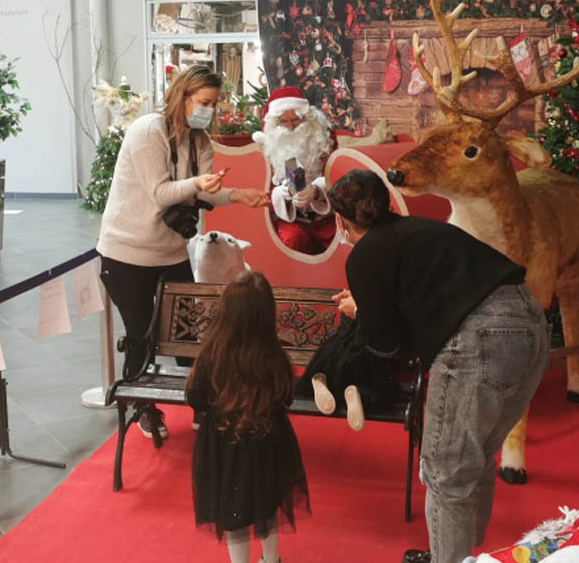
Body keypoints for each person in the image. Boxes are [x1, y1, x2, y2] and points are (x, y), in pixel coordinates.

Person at [325, 170, 549, 563]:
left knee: (446, 473)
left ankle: (451, 558)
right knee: (476, 456)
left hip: (478, 338)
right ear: (388, 203)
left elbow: (384, 344)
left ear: (341, 220)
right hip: (530, 324)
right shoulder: (421, 230)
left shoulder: (366, 254)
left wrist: (359, 311)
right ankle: (466, 556)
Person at [97, 65, 269, 441]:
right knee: (141, 335)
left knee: (192, 333)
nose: (210, 109)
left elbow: (203, 191)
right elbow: (161, 193)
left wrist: (239, 195)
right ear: (182, 96)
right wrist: (195, 183)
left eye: (213, 103)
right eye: (204, 102)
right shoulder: (147, 133)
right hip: (128, 253)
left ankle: (202, 405)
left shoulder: (199, 140)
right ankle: (143, 409)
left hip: (171, 250)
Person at [186, 270, 309, 563]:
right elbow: (286, 397)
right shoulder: (275, 355)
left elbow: (196, 398)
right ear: (267, 313)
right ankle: (271, 559)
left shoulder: (212, 354)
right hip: (269, 442)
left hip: (223, 445)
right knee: (269, 506)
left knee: (233, 511)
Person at [251, 86, 337, 255]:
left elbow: (338, 176)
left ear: (307, 119)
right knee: (292, 240)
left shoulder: (325, 141)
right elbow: (261, 194)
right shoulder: (264, 149)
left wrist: (317, 191)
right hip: (291, 220)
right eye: (284, 121)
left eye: (296, 120)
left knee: (345, 240)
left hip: (326, 216)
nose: (290, 127)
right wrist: (282, 195)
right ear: (275, 123)